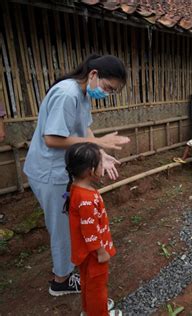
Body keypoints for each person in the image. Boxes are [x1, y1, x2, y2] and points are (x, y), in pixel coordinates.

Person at [23, 54, 130, 296]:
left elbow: (84, 129)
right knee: (61, 227)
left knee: (68, 223)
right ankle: (60, 281)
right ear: (93, 74)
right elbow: (51, 138)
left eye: (112, 91)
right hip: (49, 172)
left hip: (59, 169)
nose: (107, 94)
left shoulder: (80, 94)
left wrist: (99, 153)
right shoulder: (67, 93)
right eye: (107, 88)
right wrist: (99, 143)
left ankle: (67, 268)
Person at [65, 143, 121, 316]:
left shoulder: (76, 188)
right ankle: (99, 312)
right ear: (91, 171)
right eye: (100, 164)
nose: (103, 167)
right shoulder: (86, 198)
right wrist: (101, 251)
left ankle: (89, 310)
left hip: (84, 252)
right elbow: (90, 231)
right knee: (97, 286)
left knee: (88, 282)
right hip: (93, 253)